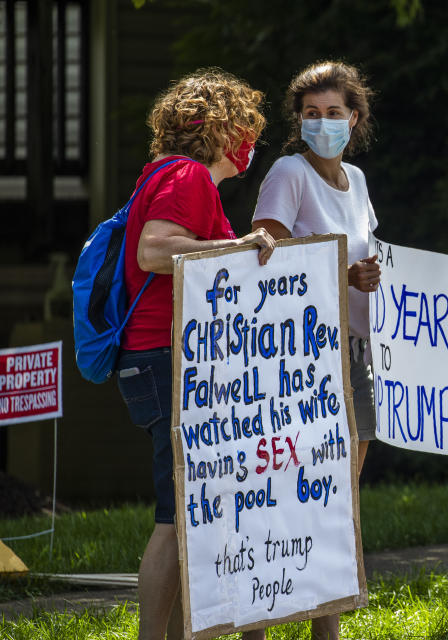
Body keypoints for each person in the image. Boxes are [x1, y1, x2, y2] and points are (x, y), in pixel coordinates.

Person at [247, 60, 448, 640]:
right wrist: (342, 275)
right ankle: (256, 627)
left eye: (334, 113)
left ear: (356, 118)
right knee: (289, 491)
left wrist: (434, 284)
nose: (323, 123)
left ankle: (327, 629)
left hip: (360, 351)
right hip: (305, 358)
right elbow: (262, 254)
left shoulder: (359, 182)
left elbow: (378, 262)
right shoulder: (288, 173)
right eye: (311, 114)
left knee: (338, 495)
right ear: (298, 121)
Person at [114, 68, 275, 640]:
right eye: (244, 127)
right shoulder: (187, 176)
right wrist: (238, 244)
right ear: (220, 129)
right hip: (166, 358)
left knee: (188, 511)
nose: (249, 143)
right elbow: (155, 251)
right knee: (176, 517)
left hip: (162, 358)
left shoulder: (165, 174)